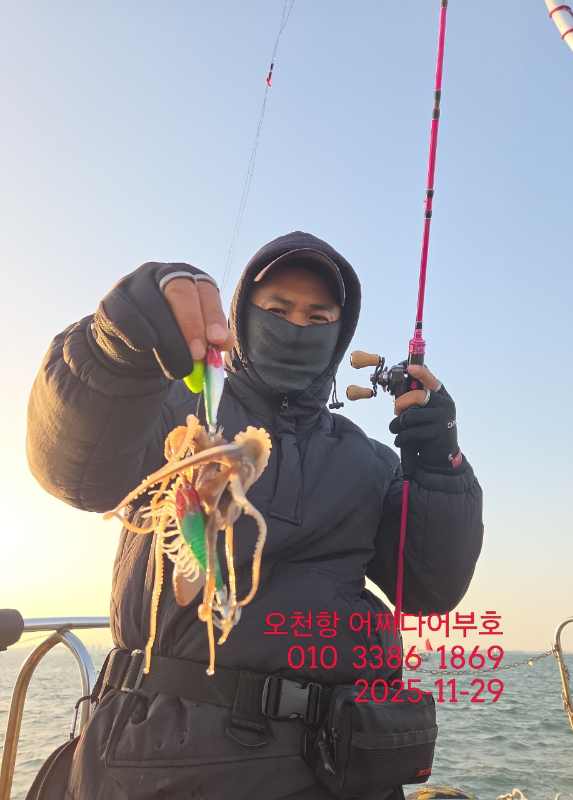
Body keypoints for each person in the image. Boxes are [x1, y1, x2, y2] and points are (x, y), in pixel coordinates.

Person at [27, 230, 483, 800]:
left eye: (319, 316)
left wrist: (442, 465)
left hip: (339, 764)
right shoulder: (172, 408)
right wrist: (113, 347)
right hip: (166, 759)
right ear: (242, 317)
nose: (297, 326)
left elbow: (429, 588)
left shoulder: (370, 461)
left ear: (340, 334)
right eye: (278, 309)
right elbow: (73, 471)